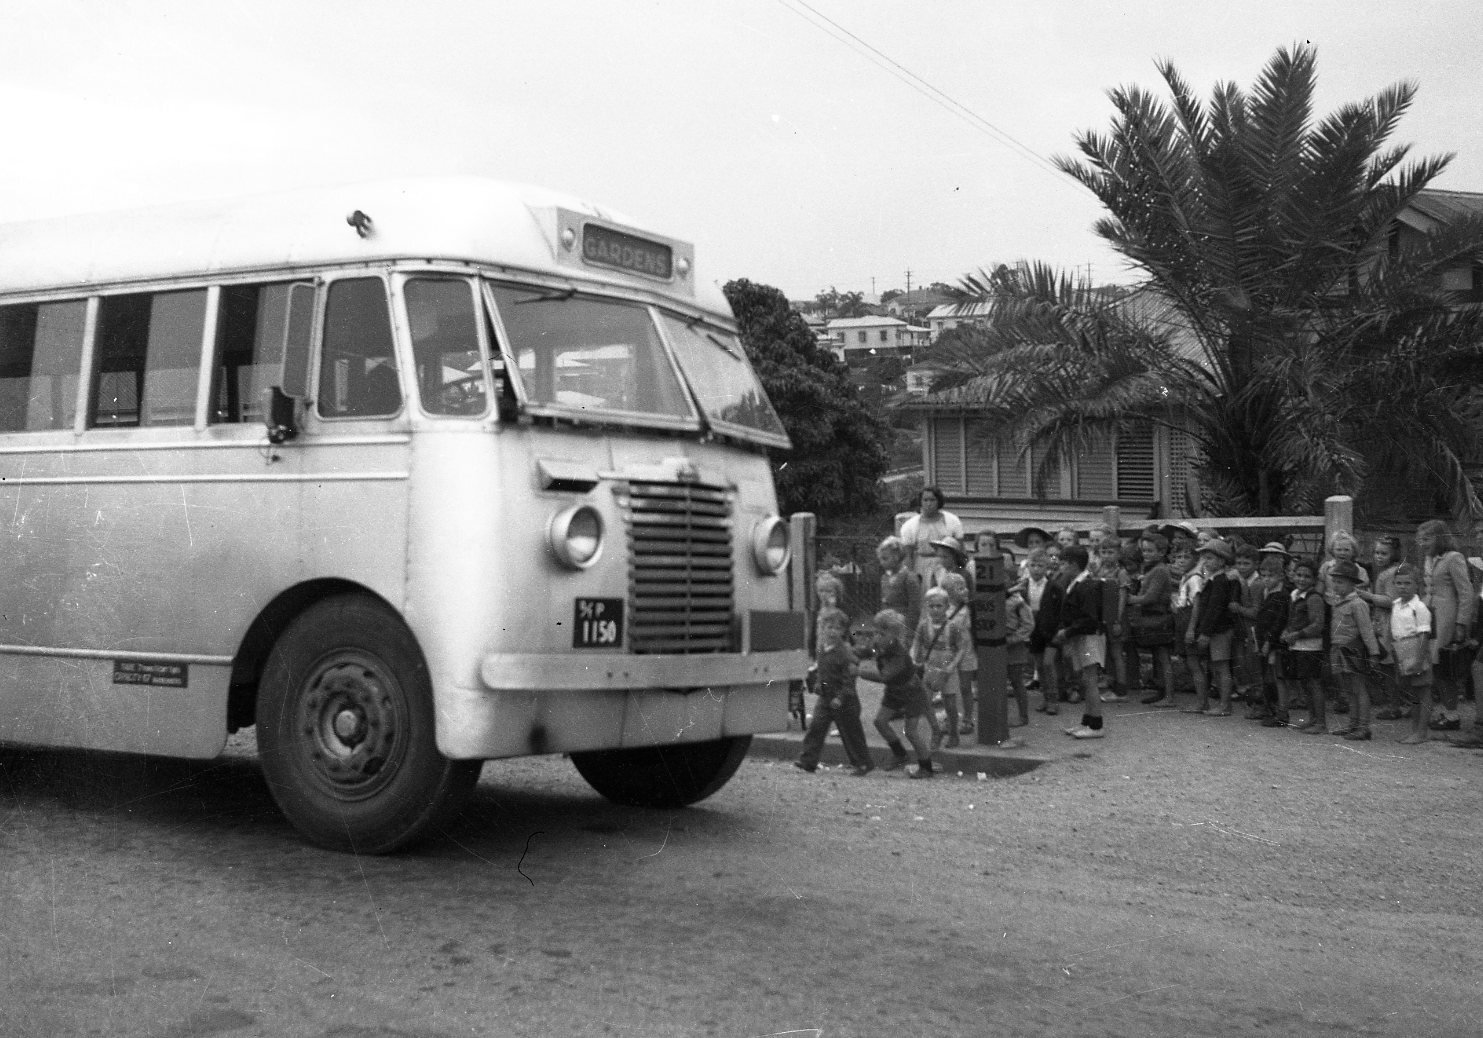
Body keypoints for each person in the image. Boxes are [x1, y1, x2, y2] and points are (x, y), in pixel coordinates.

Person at [795, 608, 874, 775]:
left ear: (843, 631)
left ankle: (863, 763)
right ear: (822, 628)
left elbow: (849, 679)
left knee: (851, 733)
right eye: (829, 627)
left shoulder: (845, 652)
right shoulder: (822, 648)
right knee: (817, 727)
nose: (832, 631)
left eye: (837, 628)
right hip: (826, 697)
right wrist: (817, 683)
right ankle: (808, 760)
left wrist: (840, 697)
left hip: (844, 700)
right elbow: (822, 670)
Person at [859, 609, 936, 777]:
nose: (877, 637)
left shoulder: (899, 655)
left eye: (882, 634)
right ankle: (899, 753)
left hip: (912, 692)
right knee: (880, 721)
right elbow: (866, 651)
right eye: (876, 632)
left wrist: (859, 672)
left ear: (894, 635)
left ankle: (926, 766)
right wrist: (851, 654)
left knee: (911, 731)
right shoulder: (880, 644)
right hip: (895, 691)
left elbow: (885, 676)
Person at [1417, 519, 1476, 732]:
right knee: (1434, 666)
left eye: (1427, 538)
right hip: (1430, 616)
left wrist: (1461, 623)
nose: (1423, 543)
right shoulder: (1429, 558)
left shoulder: (1454, 558)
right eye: (1421, 539)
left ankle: (1452, 715)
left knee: (1445, 668)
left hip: (1446, 619)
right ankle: (1447, 710)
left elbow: (1466, 593)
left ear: (1440, 538)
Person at [1051, 545, 1107, 739]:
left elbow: (1090, 618)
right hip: (1083, 636)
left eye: (1064, 563)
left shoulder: (1086, 586)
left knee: (1091, 680)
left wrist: (1067, 631)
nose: (1061, 567)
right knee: (1086, 679)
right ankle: (1087, 721)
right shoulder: (1076, 583)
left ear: (1074, 565)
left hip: (1089, 637)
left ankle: (1096, 725)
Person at [1327, 560, 1382, 739]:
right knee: (1349, 689)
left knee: (1359, 688)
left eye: (1340, 582)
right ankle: (1353, 724)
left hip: (1354, 650)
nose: (1336, 585)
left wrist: (1373, 653)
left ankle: (1363, 727)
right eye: (1334, 581)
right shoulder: (1338, 602)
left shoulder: (1358, 604)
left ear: (1353, 584)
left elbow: (1366, 631)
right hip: (1339, 649)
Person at [1185, 538, 1238, 716]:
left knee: (1222, 666)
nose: (1206, 562)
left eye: (1210, 558)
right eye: (1204, 558)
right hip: (1215, 630)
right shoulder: (1213, 580)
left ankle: (1225, 705)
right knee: (1217, 667)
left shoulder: (1221, 581)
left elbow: (1215, 609)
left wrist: (1205, 632)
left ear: (1222, 561)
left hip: (1219, 630)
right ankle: (1215, 704)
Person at [913, 587, 968, 749]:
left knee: (950, 704)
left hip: (947, 670)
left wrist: (952, 666)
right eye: (931, 606)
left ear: (946, 606)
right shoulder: (923, 626)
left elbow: (962, 648)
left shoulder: (953, 626)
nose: (935, 610)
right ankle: (936, 731)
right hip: (930, 668)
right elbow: (916, 644)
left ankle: (953, 733)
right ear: (926, 607)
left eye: (939, 606)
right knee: (926, 702)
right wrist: (914, 659)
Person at [1280, 558, 1329, 734]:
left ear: (1314, 579)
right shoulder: (1295, 595)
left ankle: (1321, 723)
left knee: (1314, 683)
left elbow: (1317, 625)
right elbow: (1292, 619)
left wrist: (1297, 634)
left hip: (1311, 647)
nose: (1301, 579)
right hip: (1298, 647)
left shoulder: (1314, 597)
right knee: (1305, 684)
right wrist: (1287, 631)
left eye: (1307, 576)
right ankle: (1312, 718)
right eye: (1299, 575)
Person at [1129, 532, 1177, 707]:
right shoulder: (1152, 569)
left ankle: (1169, 696)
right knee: (1158, 657)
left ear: (1162, 552)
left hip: (1158, 617)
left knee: (1164, 658)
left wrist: (1129, 599)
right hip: (1152, 617)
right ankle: (1162, 691)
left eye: (1150, 551)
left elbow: (1150, 597)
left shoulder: (1160, 571)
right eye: (1144, 550)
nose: (1146, 554)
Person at [1389, 563, 1435, 745]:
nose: (1403, 587)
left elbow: (1424, 633)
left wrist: (1419, 659)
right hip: (1402, 649)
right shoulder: (1395, 605)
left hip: (1417, 649)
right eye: (1399, 583)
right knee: (1413, 693)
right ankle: (1415, 730)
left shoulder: (1420, 608)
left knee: (1423, 691)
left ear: (1417, 585)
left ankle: (1421, 731)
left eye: (1407, 583)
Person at [1360, 536, 1403, 721]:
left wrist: (1368, 596)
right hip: (1382, 622)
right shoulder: (1384, 572)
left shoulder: (1391, 573)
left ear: (1393, 554)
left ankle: (1395, 706)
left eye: (1384, 553)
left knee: (1390, 666)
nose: (1379, 557)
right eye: (1376, 553)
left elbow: (1392, 600)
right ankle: (1396, 704)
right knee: (1389, 667)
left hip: (1391, 623)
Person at [1251, 546, 1292, 726]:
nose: (1266, 580)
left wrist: (1269, 642)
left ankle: (1280, 712)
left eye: (1270, 576)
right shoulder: (1268, 593)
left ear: (1280, 576)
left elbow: (1278, 622)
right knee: (1268, 677)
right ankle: (1271, 709)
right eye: (1263, 576)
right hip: (1263, 641)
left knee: (1276, 678)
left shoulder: (1281, 596)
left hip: (1273, 643)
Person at [1025, 547, 1065, 715]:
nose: (1036, 569)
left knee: (1048, 664)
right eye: (1033, 565)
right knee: (1039, 666)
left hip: (1049, 631)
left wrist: (1058, 630)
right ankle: (1045, 697)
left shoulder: (1054, 586)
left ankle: (1053, 699)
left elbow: (1061, 610)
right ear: (1028, 566)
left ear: (1046, 567)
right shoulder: (1023, 585)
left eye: (1040, 566)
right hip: (1033, 631)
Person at [939, 571, 980, 734]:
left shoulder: (969, 608)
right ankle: (950, 718)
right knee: (949, 688)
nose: (965, 591)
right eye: (960, 588)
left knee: (965, 687)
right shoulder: (943, 609)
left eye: (965, 587)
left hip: (966, 652)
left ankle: (968, 720)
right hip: (949, 653)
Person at [899, 487, 963, 584]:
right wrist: (910, 576)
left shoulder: (952, 521)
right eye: (925, 500)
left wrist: (959, 569)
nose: (929, 503)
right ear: (920, 502)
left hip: (946, 566)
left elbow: (960, 548)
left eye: (932, 500)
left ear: (938, 501)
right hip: (921, 567)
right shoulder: (910, 526)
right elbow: (908, 555)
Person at [1003, 577, 1035, 727]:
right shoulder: (992, 599)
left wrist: (1013, 639)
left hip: (1014, 645)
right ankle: (1000, 715)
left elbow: (1028, 624)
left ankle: (1023, 716)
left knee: (1016, 681)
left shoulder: (1018, 601)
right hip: (996, 645)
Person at [876, 535, 921, 635]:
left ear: (896, 557)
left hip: (903, 625)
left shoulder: (909, 578)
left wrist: (909, 630)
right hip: (887, 625)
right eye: (880, 559)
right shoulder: (885, 577)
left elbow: (915, 607)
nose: (881, 563)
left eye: (885, 559)